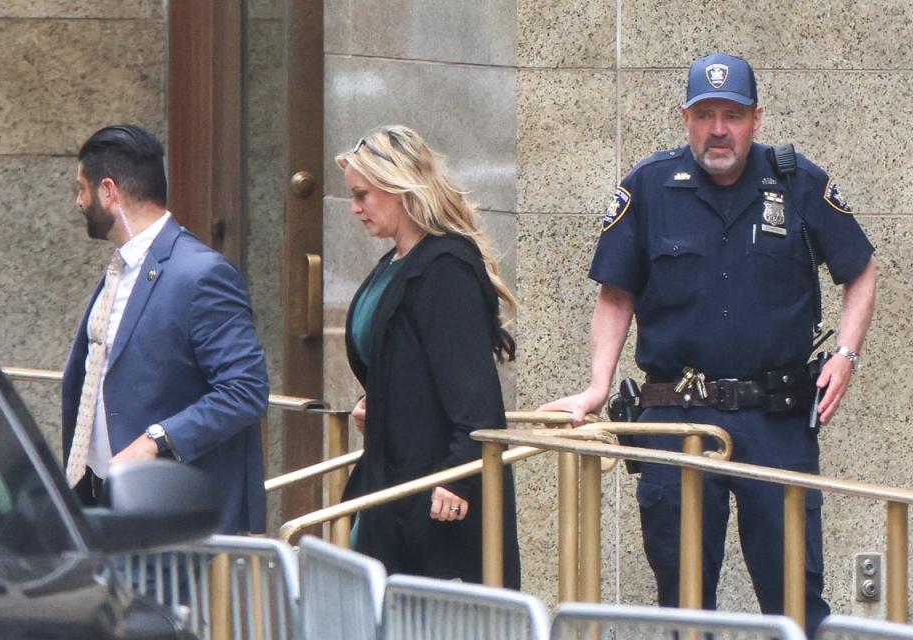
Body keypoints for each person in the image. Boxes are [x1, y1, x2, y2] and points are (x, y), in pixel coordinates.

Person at [541, 53, 876, 637]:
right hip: (679, 419)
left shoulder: (798, 182)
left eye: (732, 114)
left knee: (796, 600)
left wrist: (845, 355)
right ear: (685, 118)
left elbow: (862, 271)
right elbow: (616, 297)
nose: (718, 129)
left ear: (756, 118)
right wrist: (597, 385)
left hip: (776, 420)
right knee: (685, 601)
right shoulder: (648, 186)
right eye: (705, 115)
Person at [336, 125, 520, 587]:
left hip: (435, 494)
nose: (354, 208)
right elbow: (404, 363)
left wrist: (457, 477)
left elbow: (475, 397)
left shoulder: (444, 269)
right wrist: (380, 402)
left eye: (362, 195)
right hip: (394, 477)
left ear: (399, 188)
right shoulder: (397, 262)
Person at [62, 124, 269, 535]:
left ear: (109, 191)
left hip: (177, 517)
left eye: (82, 189)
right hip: (111, 506)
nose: (78, 202)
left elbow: (246, 390)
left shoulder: (202, 275)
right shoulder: (119, 271)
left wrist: (154, 441)